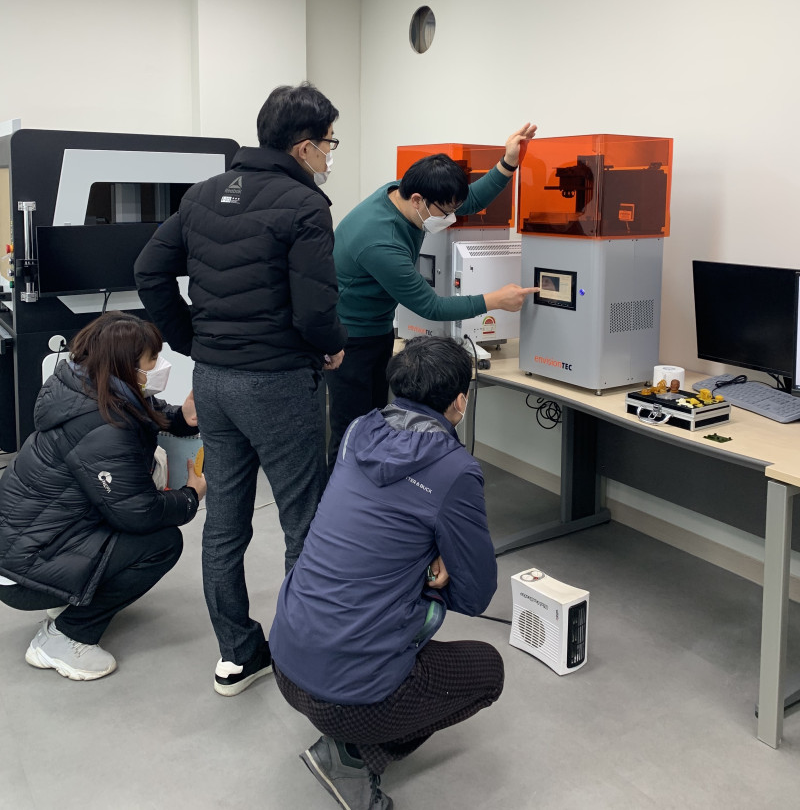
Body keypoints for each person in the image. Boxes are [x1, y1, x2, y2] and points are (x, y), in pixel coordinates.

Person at [134, 82, 348, 696]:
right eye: (329, 143)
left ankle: (236, 654)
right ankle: (304, 657)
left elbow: (148, 270)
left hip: (216, 383)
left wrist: (194, 342)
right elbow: (315, 311)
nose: (330, 155)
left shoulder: (202, 195)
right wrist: (331, 345)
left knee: (225, 522)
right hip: (278, 383)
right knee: (304, 520)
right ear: (303, 147)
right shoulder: (305, 205)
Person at [270, 335, 503, 810]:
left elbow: (371, 527)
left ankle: (346, 738)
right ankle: (352, 758)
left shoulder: (358, 430)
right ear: (460, 402)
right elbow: (476, 595)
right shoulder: (454, 469)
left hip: (285, 658)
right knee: (488, 671)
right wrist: (437, 573)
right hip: (348, 696)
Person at [0, 312, 205, 681]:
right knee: (162, 543)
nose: (161, 366)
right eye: (153, 360)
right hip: (23, 571)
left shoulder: (85, 387)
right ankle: (67, 636)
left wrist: (182, 419)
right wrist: (190, 495)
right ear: (126, 367)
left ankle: (68, 598)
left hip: (24, 546)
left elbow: (147, 413)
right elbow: (138, 513)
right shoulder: (104, 424)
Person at [326, 123, 538, 467]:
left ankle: (370, 493)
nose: (450, 218)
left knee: (374, 425)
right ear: (417, 200)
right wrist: (494, 300)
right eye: (445, 211)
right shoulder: (380, 241)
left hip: (377, 329)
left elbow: (470, 201)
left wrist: (508, 162)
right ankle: (339, 496)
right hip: (351, 340)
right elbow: (430, 305)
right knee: (352, 431)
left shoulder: (402, 195)